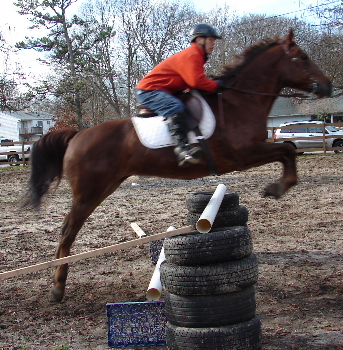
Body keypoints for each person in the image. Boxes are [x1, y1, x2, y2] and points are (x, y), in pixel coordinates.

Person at [135, 23, 223, 167]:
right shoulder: (193, 54)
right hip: (148, 90)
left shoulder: (197, 56)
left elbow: (192, 81)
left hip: (162, 89)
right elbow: (195, 81)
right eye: (211, 40)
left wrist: (210, 83)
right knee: (174, 106)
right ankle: (182, 150)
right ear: (200, 39)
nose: (213, 44)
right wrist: (216, 86)